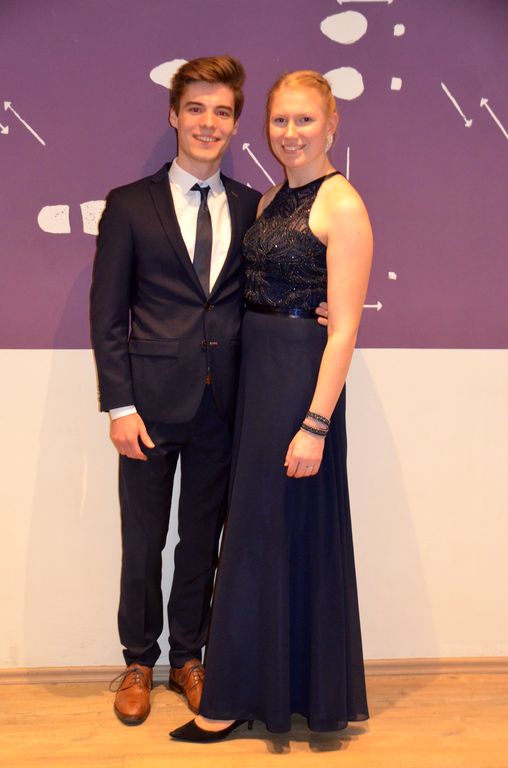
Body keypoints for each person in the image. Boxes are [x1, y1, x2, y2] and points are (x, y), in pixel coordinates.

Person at [170, 69, 373, 742]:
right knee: (256, 535)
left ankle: (236, 701)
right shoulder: (270, 200)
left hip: (296, 386)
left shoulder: (342, 204)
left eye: (304, 119)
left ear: (331, 124)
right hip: (257, 377)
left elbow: (344, 329)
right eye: (280, 120)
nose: (290, 133)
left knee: (276, 531)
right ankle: (258, 689)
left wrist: (314, 425)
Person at [90, 55, 262, 725]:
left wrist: (318, 308)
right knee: (142, 542)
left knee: (200, 542)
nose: (208, 123)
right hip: (149, 406)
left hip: (225, 406)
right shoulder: (129, 205)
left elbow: (265, 296)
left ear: (235, 123)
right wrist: (120, 405)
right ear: (174, 115)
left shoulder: (252, 205)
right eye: (196, 109)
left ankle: (190, 656)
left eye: (221, 111)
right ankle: (138, 660)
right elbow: (108, 315)